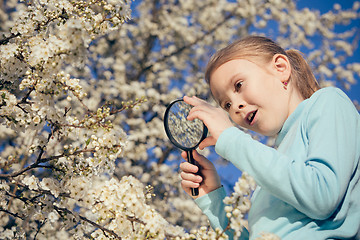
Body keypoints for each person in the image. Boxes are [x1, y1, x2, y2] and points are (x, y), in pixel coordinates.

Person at [179, 36, 360, 240]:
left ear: (281, 68)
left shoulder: (328, 102)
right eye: (226, 105)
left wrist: (230, 138)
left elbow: (322, 197)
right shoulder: (271, 172)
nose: (236, 106)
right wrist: (213, 199)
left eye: (238, 85)